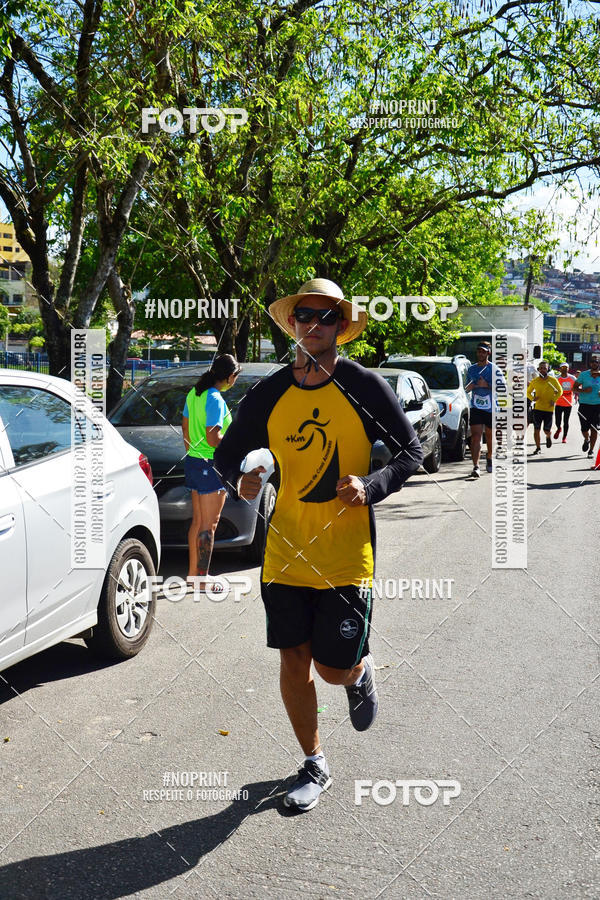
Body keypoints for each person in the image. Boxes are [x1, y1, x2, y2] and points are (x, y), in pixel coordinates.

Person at [213, 278, 423, 812]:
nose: (314, 323)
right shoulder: (269, 391)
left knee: (331, 669)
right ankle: (314, 761)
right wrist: (242, 481)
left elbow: (410, 452)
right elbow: (225, 453)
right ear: (292, 323)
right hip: (284, 553)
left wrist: (370, 486)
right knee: (293, 659)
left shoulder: (365, 385)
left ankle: (357, 671)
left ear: (340, 326)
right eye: (305, 314)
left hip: (347, 556)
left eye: (326, 316)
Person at [182, 354, 241, 590]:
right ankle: (203, 578)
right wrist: (234, 443)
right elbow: (213, 437)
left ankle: (193, 576)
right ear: (229, 377)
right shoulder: (215, 398)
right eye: (235, 376)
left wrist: (194, 454)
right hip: (212, 464)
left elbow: (185, 430)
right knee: (210, 525)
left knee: (198, 522)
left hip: (195, 462)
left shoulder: (194, 394)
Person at [464, 342, 504, 478]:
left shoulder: (495, 369)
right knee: (475, 437)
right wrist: (469, 387)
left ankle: (490, 456)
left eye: (483, 351)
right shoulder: (471, 369)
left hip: (491, 407)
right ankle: (476, 467)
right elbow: (467, 385)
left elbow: (502, 388)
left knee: (489, 436)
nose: (481, 354)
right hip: (476, 406)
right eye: (479, 351)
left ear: (488, 353)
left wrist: (487, 385)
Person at [526, 360, 562, 455]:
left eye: (544, 368)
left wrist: (554, 400)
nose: (542, 370)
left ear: (548, 369)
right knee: (536, 429)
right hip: (538, 408)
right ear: (538, 370)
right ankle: (538, 448)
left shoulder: (553, 380)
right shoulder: (535, 381)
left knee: (547, 430)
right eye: (541, 368)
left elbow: (559, 391)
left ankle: (548, 436)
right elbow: (528, 392)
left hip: (549, 409)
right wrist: (533, 398)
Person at [574, 355, 600, 461]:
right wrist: (584, 391)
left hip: (597, 405)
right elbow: (574, 388)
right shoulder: (584, 375)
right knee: (584, 428)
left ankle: (591, 450)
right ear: (590, 363)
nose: (595, 363)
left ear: (598, 364)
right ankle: (586, 439)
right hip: (584, 405)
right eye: (593, 362)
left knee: (594, 428)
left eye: (597, 362)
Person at [554, 362, 576, 442]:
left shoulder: (572, 378)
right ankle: (558, 428)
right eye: (562, 368)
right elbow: (553, 389)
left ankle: (564, 437)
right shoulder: (557, 378)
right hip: (559, 402)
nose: (564, 369)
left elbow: (577, 386)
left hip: (568, 403)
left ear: (568, 369)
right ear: (560, 369)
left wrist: (576, 389)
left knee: (566, 421)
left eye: (566, 368)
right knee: (557, 421)